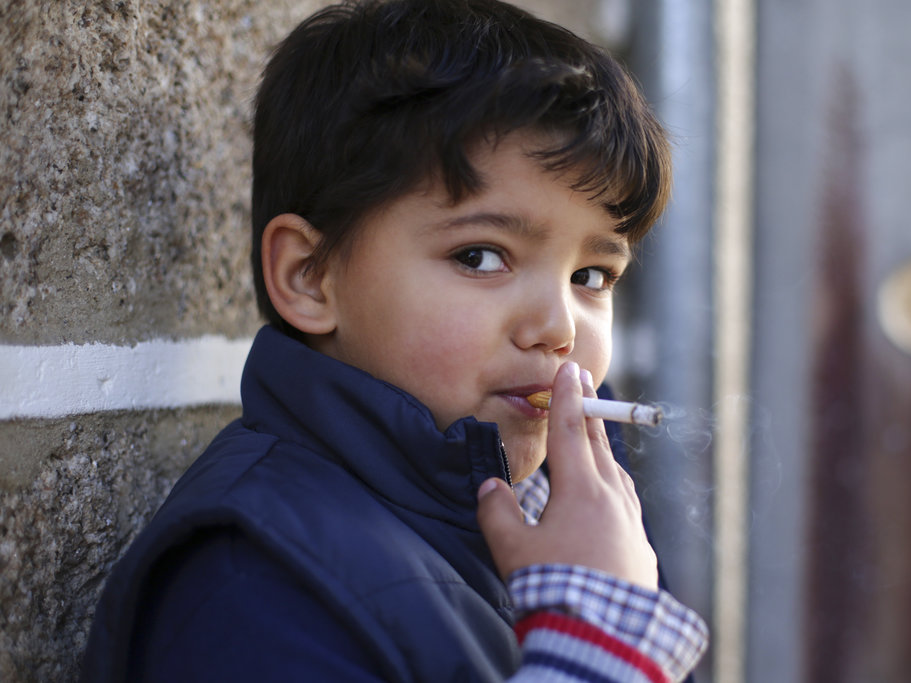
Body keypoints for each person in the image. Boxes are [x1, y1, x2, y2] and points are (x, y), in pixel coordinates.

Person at [82, 1, 708, 680]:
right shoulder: (252, 590)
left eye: (592, 274)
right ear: (311, 276)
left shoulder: (578, 507)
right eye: (480, 256)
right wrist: (594, 639)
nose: (559, 328)